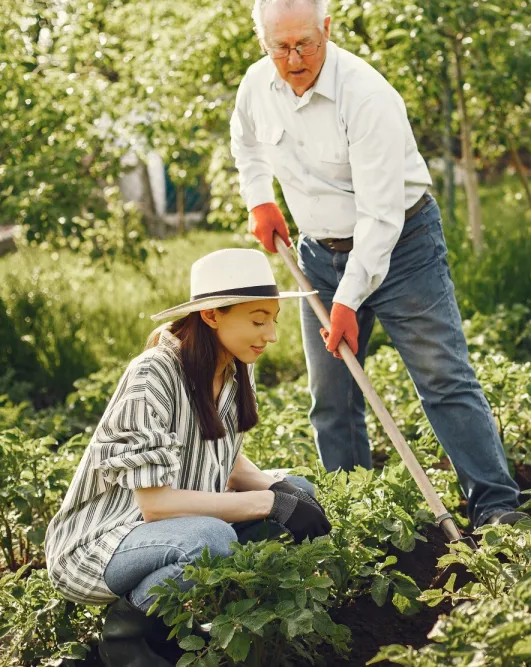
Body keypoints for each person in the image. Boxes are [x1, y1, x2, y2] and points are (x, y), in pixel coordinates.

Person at [228, 0, 526, 529]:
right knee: (332, 397)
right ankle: (357, 517)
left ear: (328, 30)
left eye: (306, 44)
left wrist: (347, 301)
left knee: (442, 377)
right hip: (319, 253)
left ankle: (496, 507)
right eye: (281, 47)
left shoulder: (366, 95)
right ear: (263, 42)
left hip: (403, 245)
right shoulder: (257, 85)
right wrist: (260, 200)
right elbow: (245, 144)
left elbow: (381, 215)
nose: (294, 59)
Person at [44, 248, 331, 667]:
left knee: (299, 492)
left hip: (172, 529)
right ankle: (125, 642)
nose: (270, 335)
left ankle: (201, 623)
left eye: (273, 319)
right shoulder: (154, 374)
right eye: (257, 320)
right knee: (212, 539)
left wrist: (279, 490)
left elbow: (222, 458)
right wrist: (268, 502)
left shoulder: (235, 366)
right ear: (212, 316)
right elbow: (156, 505)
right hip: (104, 541)